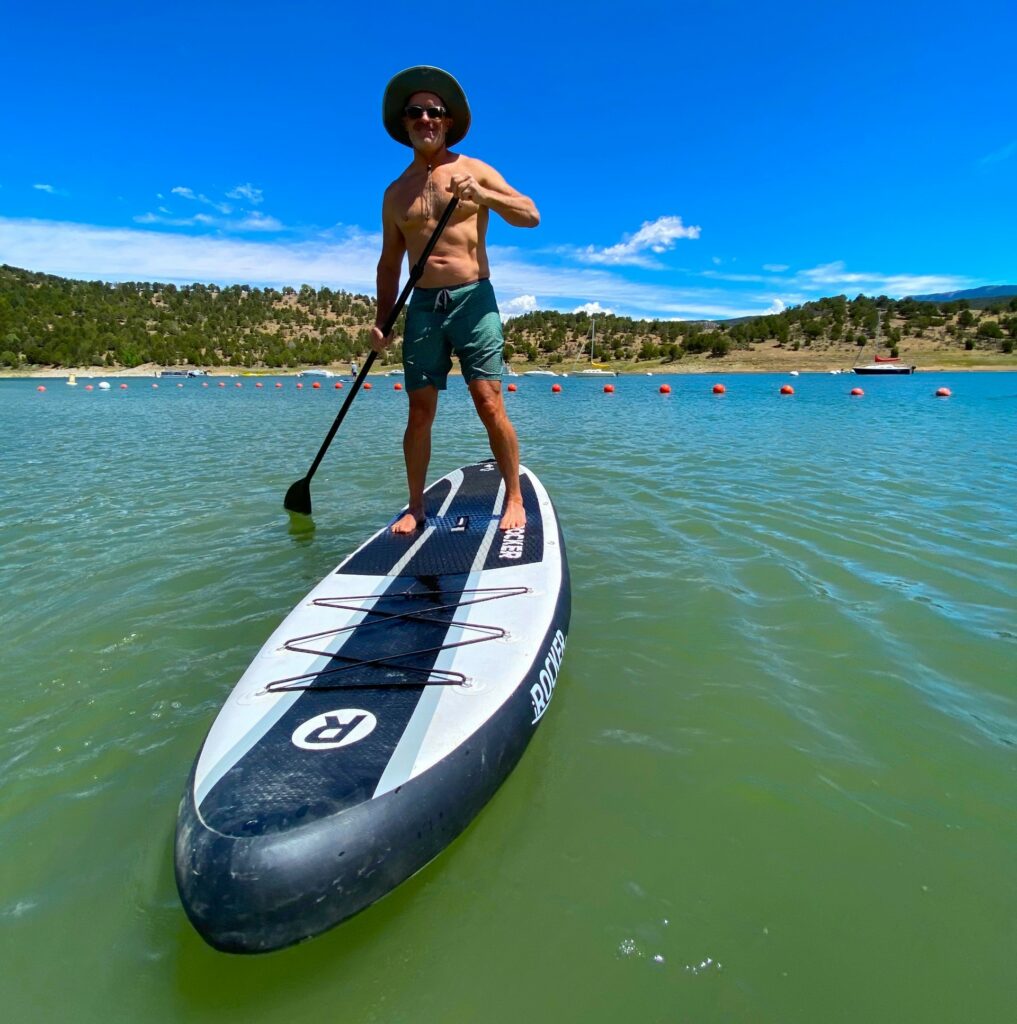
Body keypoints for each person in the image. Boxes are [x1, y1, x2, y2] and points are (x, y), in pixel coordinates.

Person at [371, 66, 539, 534]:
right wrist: (383, 321)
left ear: (447, 122)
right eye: (416, 112)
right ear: (405, 123)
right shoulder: (394, 194)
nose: (426, 119)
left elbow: (531, 215)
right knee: (419, 410)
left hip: (473, 300)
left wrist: (483, 193)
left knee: (488, 402)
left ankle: (514, 498)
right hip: (423, 307)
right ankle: (415, 506)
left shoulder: (474, 169)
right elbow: (389, 264)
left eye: (435, 112)